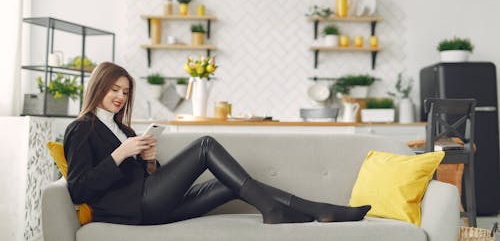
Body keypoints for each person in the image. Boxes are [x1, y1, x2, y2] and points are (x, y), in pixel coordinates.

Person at [64, 62, 371, 225]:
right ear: (99, 87)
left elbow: (146, 179)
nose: (120, 97)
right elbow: (79, 188)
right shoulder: (81, 129)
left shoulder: (122, 129)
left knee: (228, 184)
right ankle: (274, 211)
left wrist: (150, 162)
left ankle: (322, 210)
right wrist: (119, 155)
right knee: (205, 145)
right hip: (135, 209)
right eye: (114, 89)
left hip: (153, 206)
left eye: (126, 92)